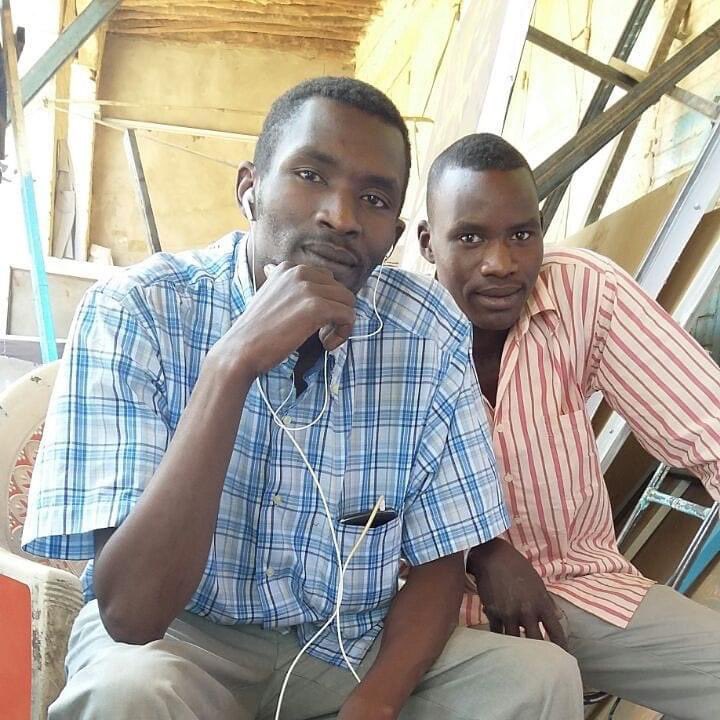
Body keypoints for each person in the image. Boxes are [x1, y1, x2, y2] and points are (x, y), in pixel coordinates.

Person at [22, 81, 583, 720]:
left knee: (539, 680)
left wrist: (373, 705)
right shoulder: (139, 310)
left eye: (374, 199)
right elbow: (131, 613)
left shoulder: (424, 329)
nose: (341, 216)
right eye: (311, 175)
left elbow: (440, 561)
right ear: (250, 187)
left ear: (395, 234)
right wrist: (232, 366)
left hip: (347, 647)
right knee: (128, 695)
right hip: (179, 641)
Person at [419, 131, 720, 720]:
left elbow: (706, 423)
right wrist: (480, 549)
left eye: (521, 234)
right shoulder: (392, 331)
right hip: (433, 608)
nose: (501, 264)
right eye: (471, 237)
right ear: (429, 243)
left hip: (579, 589)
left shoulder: (583, 290)